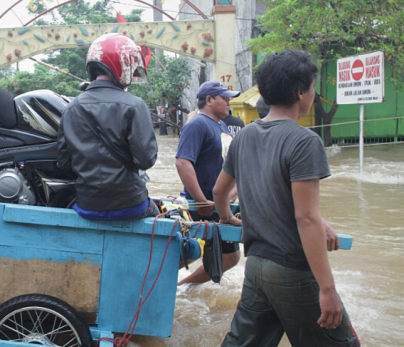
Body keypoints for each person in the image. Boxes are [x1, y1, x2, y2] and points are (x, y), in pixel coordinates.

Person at [214, 50, 360, 346]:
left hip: (256, 265)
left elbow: (219, 192)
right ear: (300, 92)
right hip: (292, 268)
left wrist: (227, 217)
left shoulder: (244, 136)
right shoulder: (305, 141)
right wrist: (327, 289)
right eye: (312, 87)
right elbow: (305, 217)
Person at [57, 33, 159, 220]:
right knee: (160, 214)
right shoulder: (134, 105)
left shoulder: (70, 108)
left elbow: (64, 162)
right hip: (130, 204)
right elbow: (146, 160)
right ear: (123, 64)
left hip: (87, 205)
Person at [175, 80, 241, 285]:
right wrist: (201, 201)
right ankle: (180, 287)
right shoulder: (197, 124)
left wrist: (231, 194)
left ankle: (183, 287)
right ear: (210, 100)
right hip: (200, 205)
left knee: (229, 257)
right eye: (224, 98)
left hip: (219, 205)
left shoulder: (221, 125)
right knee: (220, 256)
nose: (229, 102)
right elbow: (183, 162)